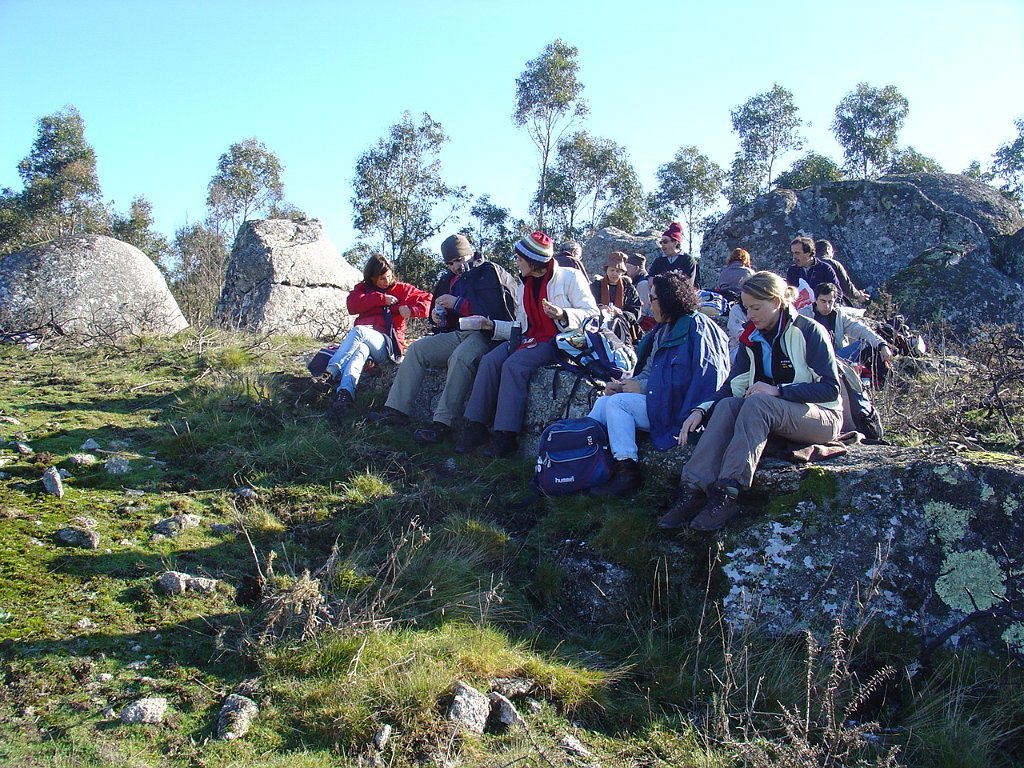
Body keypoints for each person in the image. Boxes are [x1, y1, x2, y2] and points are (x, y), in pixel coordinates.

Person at [658, 271, 843, 532]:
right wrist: (701, 410)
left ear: (776, 302)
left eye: (756, 307)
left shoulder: (809, 331)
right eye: (746, 308)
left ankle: (729, 491)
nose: (749, 315)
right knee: (727, 406)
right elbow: (733, 386)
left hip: (822, 417)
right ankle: (693, 489)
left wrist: (778, 390)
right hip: (776, 413)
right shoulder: (752, 337)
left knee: (757, 403)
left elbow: (830, 389)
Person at [587, 271, 731, 496]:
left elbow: (707, 379)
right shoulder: (663, 330)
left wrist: (642, 388)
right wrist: (624, 385)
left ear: (669, 300)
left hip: (681, 410)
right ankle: (582, 460)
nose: (648, 304)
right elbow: (649, 372)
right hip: (661, 401)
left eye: (652, 298)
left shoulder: (699, 329)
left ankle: (626, 470)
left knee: (618, 404)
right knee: (604, 402)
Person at [457, 231, 599, 458]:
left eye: (519, 259)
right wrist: (490, 325)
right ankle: (475, 425)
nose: (516, 263)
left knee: (514, 365)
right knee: (490, 360)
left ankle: (506, 436)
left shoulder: (570, 277)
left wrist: (563, 314)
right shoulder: (525, 285)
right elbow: (521, 327)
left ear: (533, 262)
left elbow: (592, 314)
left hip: (559, 342)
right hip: (528, 339)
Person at [367, 234, 519, 444]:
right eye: (450, 263)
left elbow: (495, 312)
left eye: (458, 260)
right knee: (418, 349)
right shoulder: (448, 280)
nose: (455, 266)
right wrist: (437, 316)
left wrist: (458, 303)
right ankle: (396, 410)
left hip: (486, 335)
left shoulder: (489, 273)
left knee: (461, 357)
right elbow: (440, 316)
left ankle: (443, 424)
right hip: (457, 333)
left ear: (469, 253)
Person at [316, 254, 431, 419]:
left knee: (359, 331)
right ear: (372, 278)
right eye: (382, 278)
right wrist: (381, 299)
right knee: (360, 350)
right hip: (367, 343)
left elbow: (429, 300)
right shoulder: (363, 289)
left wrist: (413, 310)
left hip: (389, 346)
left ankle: (329, 373)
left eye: (389, 276)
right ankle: (345, 394)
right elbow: (352, 306)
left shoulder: (401, 289)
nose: (387, 281)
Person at [804, 282, 894, 366]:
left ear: (834, 301)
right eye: (823, 301)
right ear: (816, 300)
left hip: (837, 359)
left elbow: (861, 329)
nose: (827, 306)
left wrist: (882, 344)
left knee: (866, 344)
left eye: (830, 302)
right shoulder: (803, 316)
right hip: (812, 363)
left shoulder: (838, 315)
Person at [590, 251, 641, 324]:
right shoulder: (596, 286)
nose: (614, 273)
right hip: (598, 323)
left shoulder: (629, 288)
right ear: (606, 270)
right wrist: (599, 308)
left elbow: (636, 310)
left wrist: (621, 314)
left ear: (622, 273)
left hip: (621, 325)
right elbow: (588, 304)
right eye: (612, 270)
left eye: (618, 271)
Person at [786, 236, 841, 303]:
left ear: (808, 253)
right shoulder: (792, 270)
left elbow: (836, 292)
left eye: (797, 253)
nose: (794, 256)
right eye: (793, 253)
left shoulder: (825, 269)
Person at [815, 239, 870, 306]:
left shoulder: (809, 263)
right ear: (827, 249)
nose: (832, 254)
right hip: (830, 303)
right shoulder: (834, 264)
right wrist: (858, 295)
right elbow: (846, 286)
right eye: (832, 251)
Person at [625, 252, 655, 330]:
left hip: (646, 324)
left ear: (637, 268)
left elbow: (643, 312)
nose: (625, 270)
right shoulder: (636, 281)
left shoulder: (643, 284)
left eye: (628, 267)